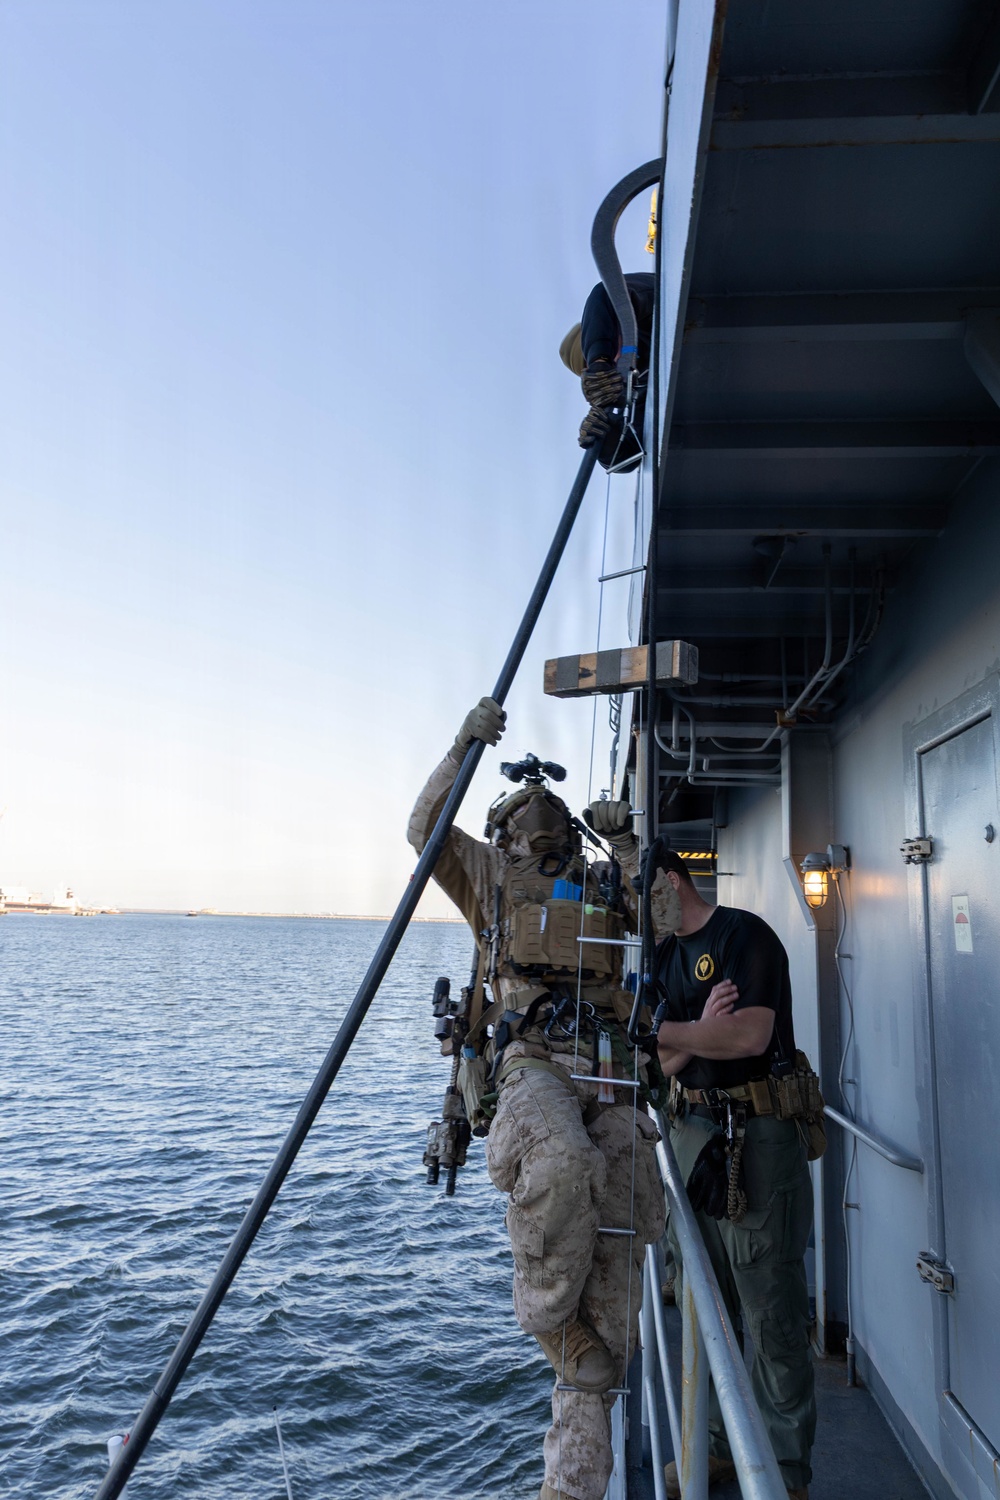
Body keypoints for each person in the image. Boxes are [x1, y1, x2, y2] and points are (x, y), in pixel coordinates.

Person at [407, 699, 666, 1500]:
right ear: (506, 833)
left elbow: (658, 917)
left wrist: (626, 844)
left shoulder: (598, 881)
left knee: (633, 1199)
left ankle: (573, 1482)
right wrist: (463, 746)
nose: (544, 835)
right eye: (526, 826)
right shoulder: (488, 877)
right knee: (557, 1163)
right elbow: (423, 830)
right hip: (534, 1064)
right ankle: (551, 1318)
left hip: (610, 1064)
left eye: (555, 830)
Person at [588, 803, 817, 1500]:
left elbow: (748, 1037)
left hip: (759, 1141)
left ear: (671, 883)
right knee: (706, 1302)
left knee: (769, 1307)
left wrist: (681, 1034)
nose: (644, 912)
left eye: (645, 895)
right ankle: (717, 1448)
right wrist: (693, 1030)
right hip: (694, 1141)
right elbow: (657, 1058)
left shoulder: (747, 938)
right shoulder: (664, 961)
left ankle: (784, 1472)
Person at [559, 271, 655, 473]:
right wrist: (605, 438)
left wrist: (599, 358)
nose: (615, 360)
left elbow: (608, 293)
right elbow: (628, 457)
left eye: (609, 355)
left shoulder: (647, 308)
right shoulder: (640, 392)